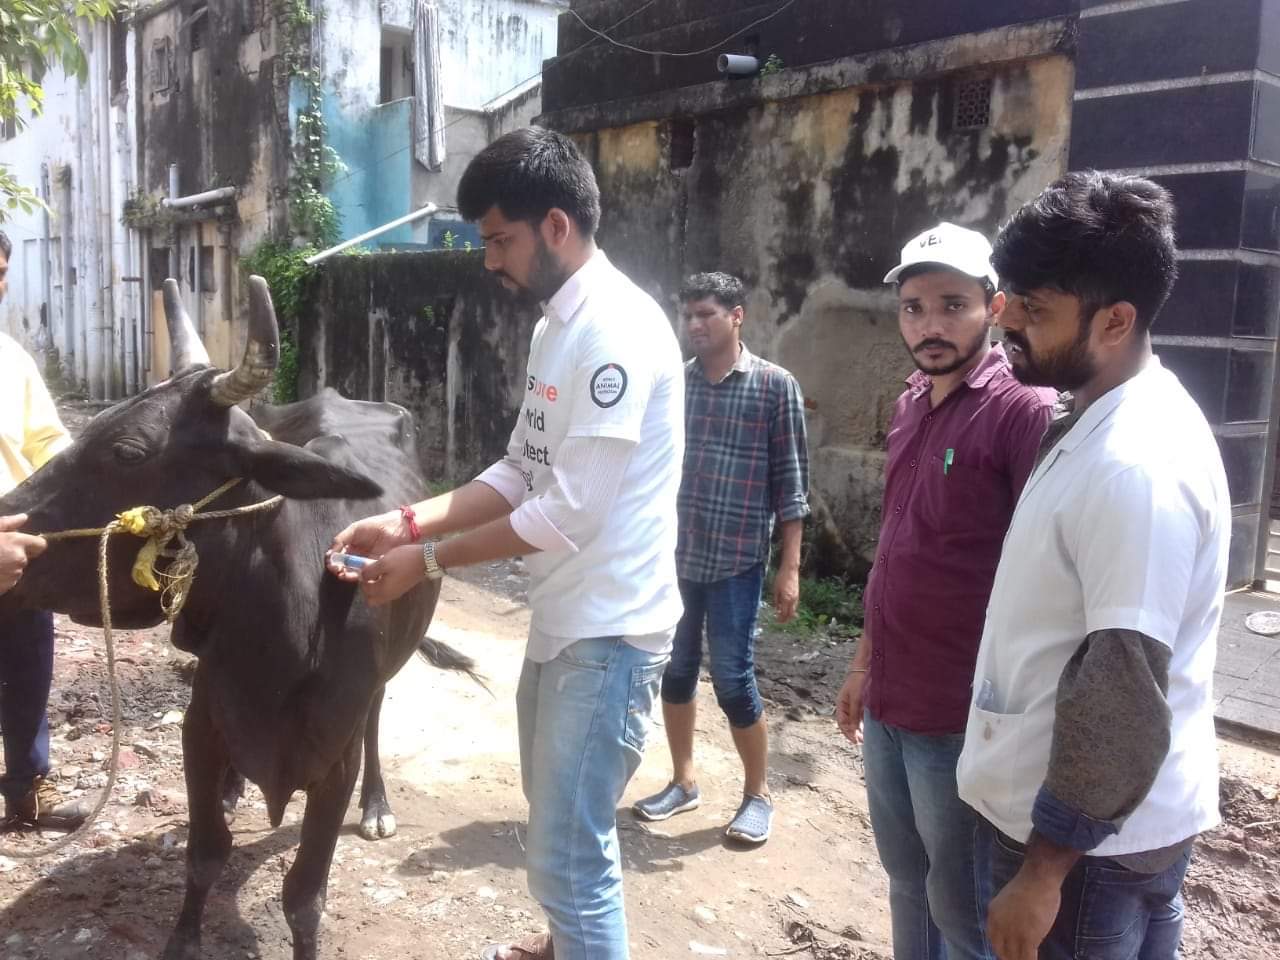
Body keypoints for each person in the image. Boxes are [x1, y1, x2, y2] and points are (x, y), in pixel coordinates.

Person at [327, 128, 684, 960]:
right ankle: (564, 947)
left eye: (499, 240)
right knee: (556, 824)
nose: (489, 261)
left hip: (610, 632)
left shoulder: (617, 334)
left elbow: (569, 514)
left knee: (570, 858)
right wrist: (407, 522)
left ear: (555, 226)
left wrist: (426, 561)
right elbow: (522, 469)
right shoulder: (556, 328)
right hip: (565, 621)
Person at [956, 172, 1228, 960]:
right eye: (1009, 297)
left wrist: (1044, 874)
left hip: (1082, 858)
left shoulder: (1135, 466)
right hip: (1104, 835)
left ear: (1115, 320)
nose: (1006, 320)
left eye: (1035, 309)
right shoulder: (1097, 414)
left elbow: (1122, 686)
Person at [835, 222, 1055, 959]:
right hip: (891, 701)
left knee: (961, 910)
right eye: (914, 307)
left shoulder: (1023, 411)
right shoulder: (910, 403)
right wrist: (863, 665)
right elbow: (895, 549)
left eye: (952, 305)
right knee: (906, 880)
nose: (930, 325)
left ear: (995, 307)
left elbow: (1045, 577)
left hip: (961, 717)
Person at [630, 272, 808, 844]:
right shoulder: (675, 382)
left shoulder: (774, 386)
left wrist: (790, 568)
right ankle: (683, 782)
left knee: (733, 680)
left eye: (706, 314)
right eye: (688, 315)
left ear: (737, 316)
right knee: (675, 672)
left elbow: (791, 485)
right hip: (675, 556)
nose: (694, 325)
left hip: (736, 560)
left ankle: (757, 795)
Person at [0, 228, 86, 830]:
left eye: (1, 275)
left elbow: (49, 440)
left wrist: (88, 483)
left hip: (17, 545)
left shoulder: (11, 359)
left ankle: (27, 789)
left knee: (28, 668)